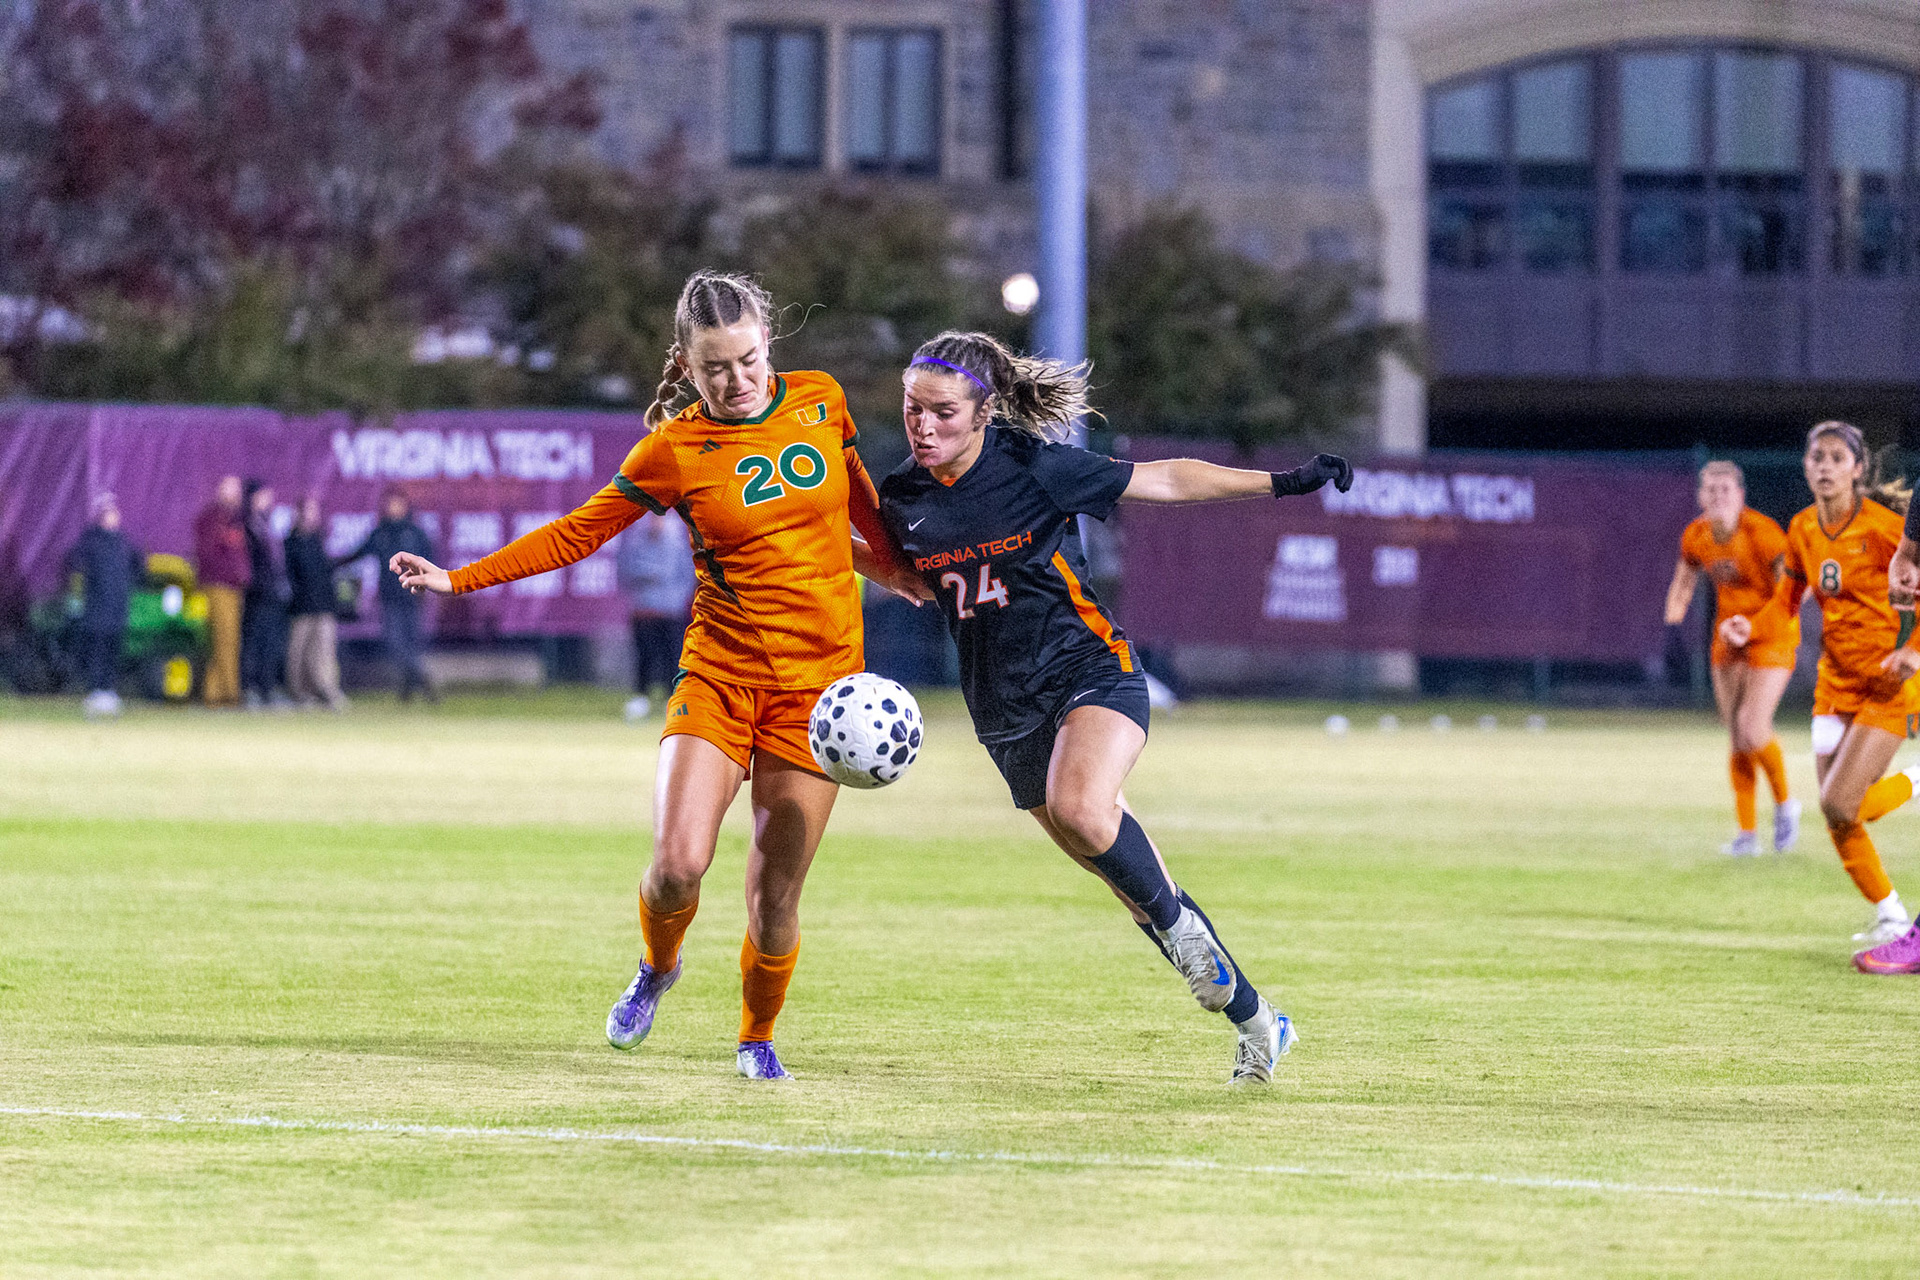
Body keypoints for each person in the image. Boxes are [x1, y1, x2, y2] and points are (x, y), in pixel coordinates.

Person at [386, 270, 923, 1080]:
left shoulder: (821, 400)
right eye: (714, 368)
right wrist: (458, 578)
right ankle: (657, 968)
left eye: (746, 361)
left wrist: (903, 571)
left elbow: (862, 507)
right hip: (719, 674)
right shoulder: (674, 451)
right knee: (677, 864)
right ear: (685, 363)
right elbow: (577, 533)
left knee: (774, 896)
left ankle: (755, 1037)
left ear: (768, 343)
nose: (736, 381)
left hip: (818, 695)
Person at [877, 330, 1352, 1085]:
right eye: (911, 410)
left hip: (1089, 672)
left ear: (983, 413)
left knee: (1085, 811)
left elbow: (1165, 480)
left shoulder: (1035, 468)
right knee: (1126, 879)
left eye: (940, 412)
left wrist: (1283, 482)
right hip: (1003, 714)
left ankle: (1184, 936)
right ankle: (1260, 1023)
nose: (923, 426)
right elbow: (878, 557)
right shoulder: (902, 496)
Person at [1730, 422, 1920, 962]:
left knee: (1841, 800)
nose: (1824, 466)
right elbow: (1787, 602)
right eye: (1817, 456)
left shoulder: (1887, 527)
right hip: (1833, 687)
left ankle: (1915, 780)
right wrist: (1753, 625)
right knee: (1839, 814)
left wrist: (1914, 650)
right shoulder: (1803, 527)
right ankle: (1891, 914)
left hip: (1888, 684)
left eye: (1837, 458)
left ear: (1858, 469)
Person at [1663, 461, 1802, 856]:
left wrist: (1760, 624)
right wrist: (1674, 614)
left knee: (1753, 725)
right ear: (1701, 496)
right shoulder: (1696, 535)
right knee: (1738, 737)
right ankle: (1746, 835)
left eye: (1727, 489)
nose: (1719, 495)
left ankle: (1785, 805)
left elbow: (1793, 586)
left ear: (1741, 496)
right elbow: (1685, 577)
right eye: (1711, 489)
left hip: (1771, 635)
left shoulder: (1761, 533)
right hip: (1728, 637)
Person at [335, 488, 437, 703]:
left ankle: (409, 689)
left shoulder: (415, 532)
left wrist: (428, 587)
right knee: (395, 645)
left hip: (412, 597)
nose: (394, 508)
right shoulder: (380, 532)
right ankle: (421, 681)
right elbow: (359, 553)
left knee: (411, 645)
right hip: (390, 599)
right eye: (390, 504)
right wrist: (331, 564)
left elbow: (430, 562)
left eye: (397, 504)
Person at [63, 492, 143, 717]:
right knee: (97, 649)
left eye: (114, 513)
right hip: (96, 609)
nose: (113, 517)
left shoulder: (123, 541)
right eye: (108, 513)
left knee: (113, 649)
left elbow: (138, 567)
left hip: (118, 608)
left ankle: (108, 690)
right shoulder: (90, 540)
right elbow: (76, 565)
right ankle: (95, 691)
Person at [615, 509, 695, 721]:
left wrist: (674, 600)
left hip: (670, 611)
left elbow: (686, 574)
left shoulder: (676, 540)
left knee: (674, 657)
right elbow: (625, 569)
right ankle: (641, 699)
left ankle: (676, 702)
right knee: (644, 657)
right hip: (643, 610)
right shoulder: (635, 539)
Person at [284, 496, 347, 711]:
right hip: (302, 607)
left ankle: (326, 691)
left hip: (323, 606)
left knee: (325, 652)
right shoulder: (291, 543)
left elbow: (325, 573)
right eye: (308, 511)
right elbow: (292, 578)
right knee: (299, 653)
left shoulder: (318, 540)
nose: (313, 515)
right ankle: (299, 693)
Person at [193, 474, 250, 706]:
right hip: (218, 586)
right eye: (231, 490)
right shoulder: (212, 519)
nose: (236, 495)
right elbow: (208, 554)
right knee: (222, 639)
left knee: (230, 640)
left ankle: (217, 693)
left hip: (233, 587)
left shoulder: (235, 519)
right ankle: (228, 693)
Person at [240, 480, 290, 709]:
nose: (267, 501)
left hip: (272, 594)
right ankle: (250, 689)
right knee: (253, 643)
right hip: (255, 595)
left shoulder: (268, 525)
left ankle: (268, 689)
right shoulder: (245, 525)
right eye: (262, 496)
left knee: (271, 645)